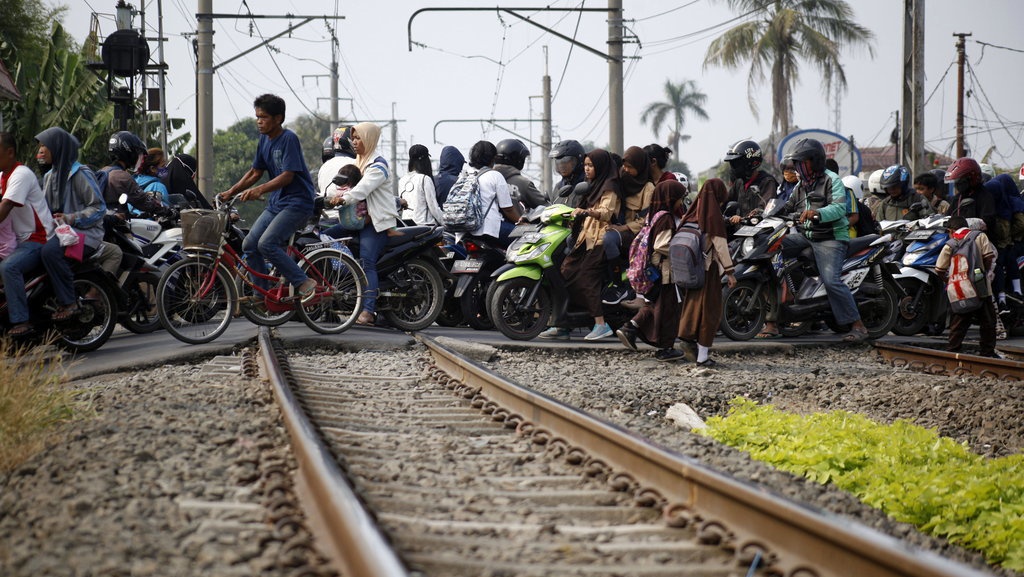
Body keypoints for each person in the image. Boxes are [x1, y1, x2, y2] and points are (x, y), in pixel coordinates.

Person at [758, 138, 869, 342]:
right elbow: (788, 206)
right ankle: (775, 319)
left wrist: (816, 213)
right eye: (796, 163)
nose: (798, 167)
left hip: (831, 238)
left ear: (815, 161)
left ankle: (857, 325)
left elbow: (838, 208)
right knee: (770, 253)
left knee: (831, 281)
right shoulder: (802, 184)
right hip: (806, 236)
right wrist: (763, 213)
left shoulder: (831, 180)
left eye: (802, 162)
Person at [217, 94, 318, 302]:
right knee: (249, 245)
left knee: (267, 244)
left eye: (263, 117)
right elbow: (255, 172)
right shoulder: (263, 140)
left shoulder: (288, 139)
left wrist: (259, 190)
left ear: (278, 118)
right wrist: (230, 192)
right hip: (277, 203)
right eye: (257, 117)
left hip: (298, 203)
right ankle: (261, 295)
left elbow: (288, 176)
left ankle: (303, 282)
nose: (259, 122)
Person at [539, 148, 622, 341]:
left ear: (600, 166)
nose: (587, 169)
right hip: (584, 237)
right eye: (585, 165)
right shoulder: (590, 185)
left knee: (586, 277)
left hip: (600, 238)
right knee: (565, 273)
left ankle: (601, 324)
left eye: (591, 165)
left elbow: (607, 212)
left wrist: (587, 212)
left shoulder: (609, 186)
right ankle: (563, 324)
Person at [324, 121, 399, 326]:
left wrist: (343, 199)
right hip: (357, 221)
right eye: (353, 138)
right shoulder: (357, 163)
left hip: (375, 222)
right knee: (324, 238)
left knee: (367, 262)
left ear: (369, 139)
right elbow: (342, 185)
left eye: (359, 138)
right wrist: (327, 197)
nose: (355, 142)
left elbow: (361, 190)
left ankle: (368, 311)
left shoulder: (378, 166)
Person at [36, 127, 107, 322]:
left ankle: (70, 302)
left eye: (45, 146)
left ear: (58, 147)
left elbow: (99, 207)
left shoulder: (80, 173)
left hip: (86, 234)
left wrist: (72, 218)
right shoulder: (49, 176)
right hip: (62, 233)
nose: (40, 150)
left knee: (50, 252)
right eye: (40, 146)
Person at [615, 179, 687, 360]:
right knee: (667, 310)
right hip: (664, 272)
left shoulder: (654, 215)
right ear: (671, 198)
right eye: (679, 198)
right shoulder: (666, 218)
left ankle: (630, 328)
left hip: (652, 271)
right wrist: (682, 248)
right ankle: (665, 349)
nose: (681, 202)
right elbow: (661, 245)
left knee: (655, 305)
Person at [676, 178, 737, 366]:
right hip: (709, 272)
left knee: (692, 307)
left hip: (691, 271)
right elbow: (721, 246)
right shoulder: (713, 217)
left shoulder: (690, 214)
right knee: (709, 311)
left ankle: (687, 339)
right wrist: (730, 272)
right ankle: (702, 358)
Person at [0, 131, 56, 336]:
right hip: (18, 240)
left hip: (38, 238)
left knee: (9, 267)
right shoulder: (2, 176)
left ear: (9, 152)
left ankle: (21, 321)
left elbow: (5, 207)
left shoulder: (20, 174)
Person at [935, 215, 998, 357]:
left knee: (959, 321)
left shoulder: (950, 244)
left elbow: (939, 269)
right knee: (987, 320)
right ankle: (987, 352)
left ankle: (953, 350)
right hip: (980, 284)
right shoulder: (979, 236)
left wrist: (950, 281)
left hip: (959, 288)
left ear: (951, 230)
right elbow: (989, 257)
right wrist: (982, 273)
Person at [603, 145, 654, 305]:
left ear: (640, 167)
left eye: (630, 167)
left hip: (636, 233)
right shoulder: (621, 179)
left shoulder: (648, 188)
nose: (626, 169)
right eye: (624, 166)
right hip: (618, 227)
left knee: (609, 239)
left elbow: (645, 220)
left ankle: (618, 285)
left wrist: (623, 228)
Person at [97, 132, 175, 219]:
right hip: (112, 224)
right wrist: (168, 212)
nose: (138, 158)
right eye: (137, 153)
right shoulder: (122, 176)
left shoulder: (103, 171)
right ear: (130, 152)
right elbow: (143, 201)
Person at [465, 140, 520, 247]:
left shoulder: (465, 175)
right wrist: (521, 222)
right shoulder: (495, 175)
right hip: (489, 228)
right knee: (525, 237)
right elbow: (508, 209)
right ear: (492, 158)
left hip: (465, 230)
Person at [724, 139, 778, 224]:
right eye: (732, 164)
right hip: (741, 229)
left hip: (760, 228)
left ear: (751, 163)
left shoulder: (767, 181)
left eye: (737, 164)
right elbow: (726, 201)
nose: (733, 168)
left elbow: (765, 207)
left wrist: (750, 216)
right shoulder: (739, 183)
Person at [945, 157, 996, 234]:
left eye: (960, 181)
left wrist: (963, 223)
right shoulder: (958, 197)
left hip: (977, 238)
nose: (956, 184)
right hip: (956, 238)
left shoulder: (985, 196)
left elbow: (988, 222)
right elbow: (948, 216)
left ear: (971, 178)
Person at [493, 138, 546, 210]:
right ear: (518, 159)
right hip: (517, 217)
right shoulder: (523, 183)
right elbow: (546, 207)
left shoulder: (486, 180)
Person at [397, 144, 442, 225]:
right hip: (425, 225)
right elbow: (433, 208)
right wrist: (445, 223)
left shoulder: (402, 180)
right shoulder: (425, 179)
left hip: (407, 225)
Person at [549, 139, 586, 206]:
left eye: (565, 161)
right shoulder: (558, 187)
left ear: (578, 161)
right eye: (558, 162)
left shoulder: (586, 185)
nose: (561, 165)